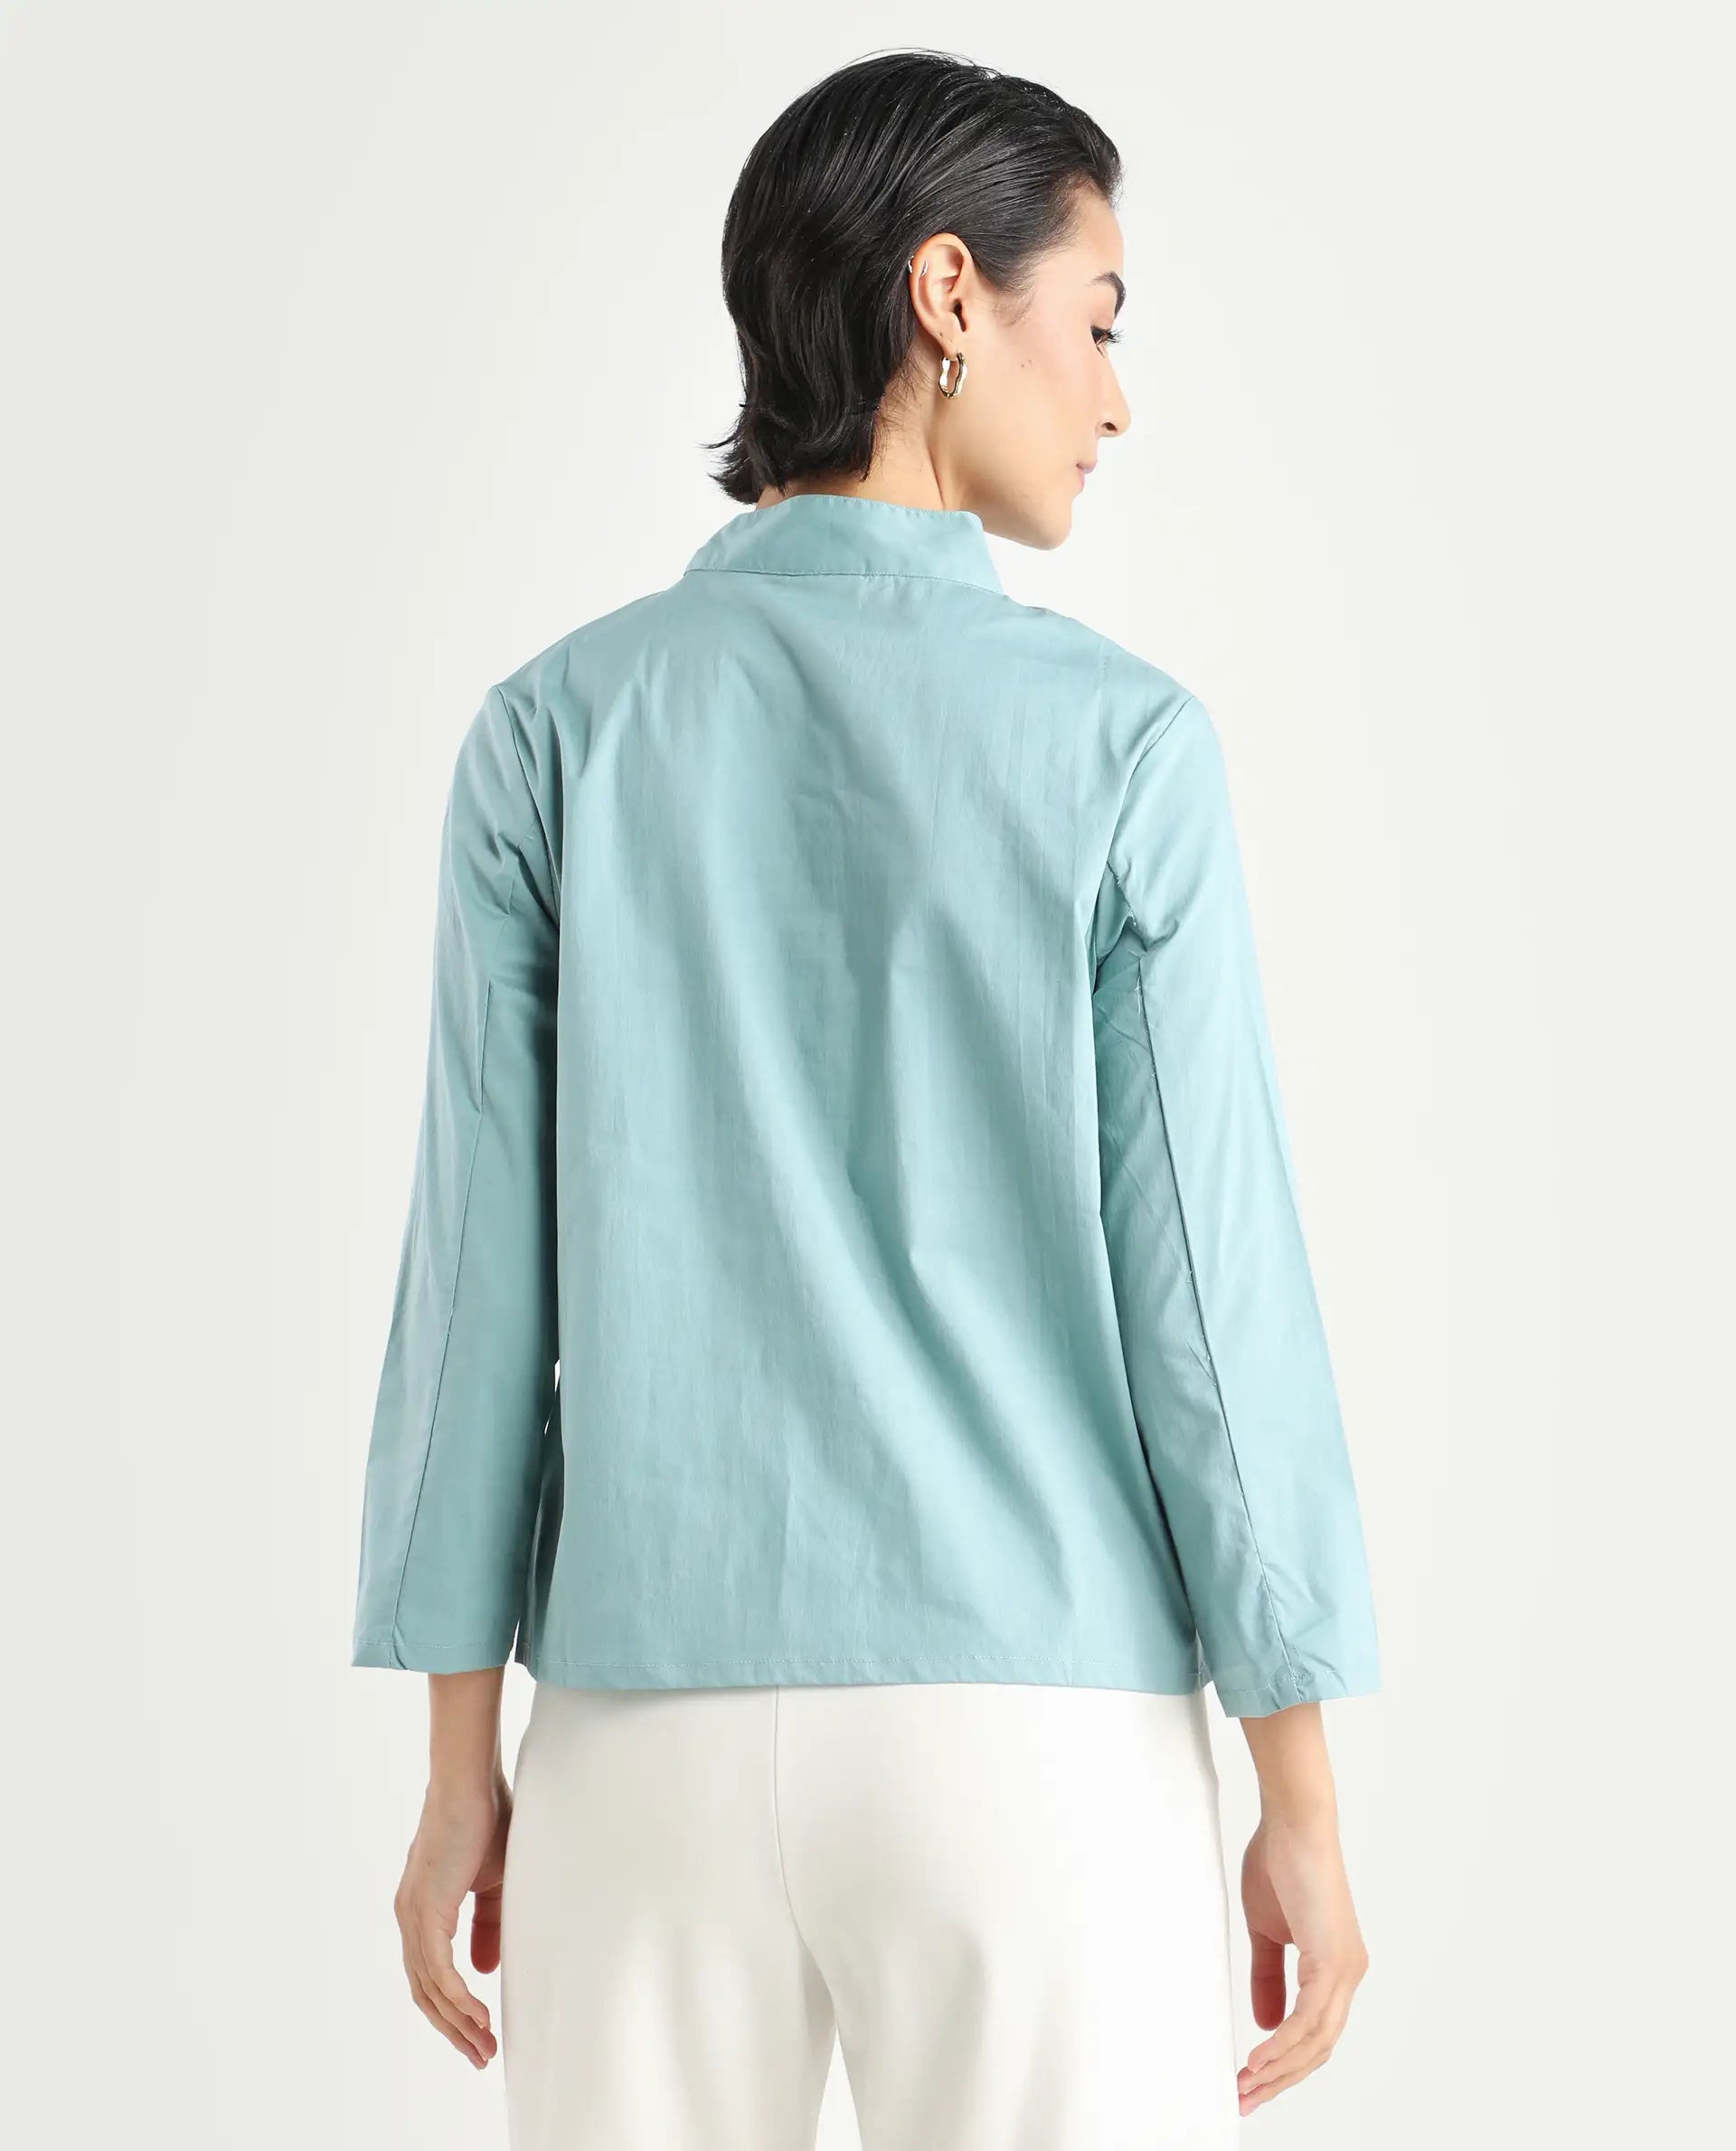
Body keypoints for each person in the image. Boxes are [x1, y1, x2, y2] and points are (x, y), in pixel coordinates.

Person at [351, 47, 1381, 2151]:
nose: (1115, 400)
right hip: (1032, 1740)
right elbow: (1213, 1300)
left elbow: (475, 1298)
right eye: (1098, 320)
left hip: (639, 1735)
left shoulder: (554, 734)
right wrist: (1298, 1787)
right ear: (947, 295)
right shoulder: (1123, 750)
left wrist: (462, 1760)